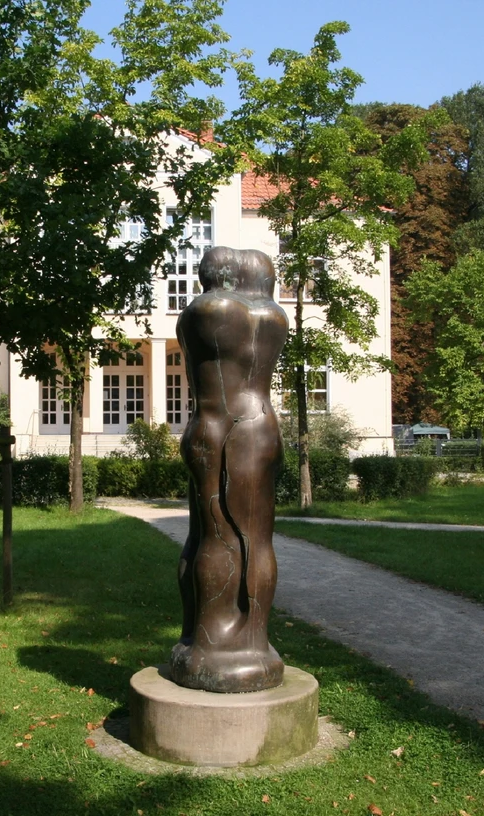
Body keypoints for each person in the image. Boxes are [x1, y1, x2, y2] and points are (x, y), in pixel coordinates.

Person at [170, 246, 289, 693]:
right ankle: (256, 643)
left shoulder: (204, 310)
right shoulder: (274, 318)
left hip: (218, 431)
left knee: (214, 534)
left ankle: (209, 645)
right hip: (263, 429)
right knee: (256, 538)